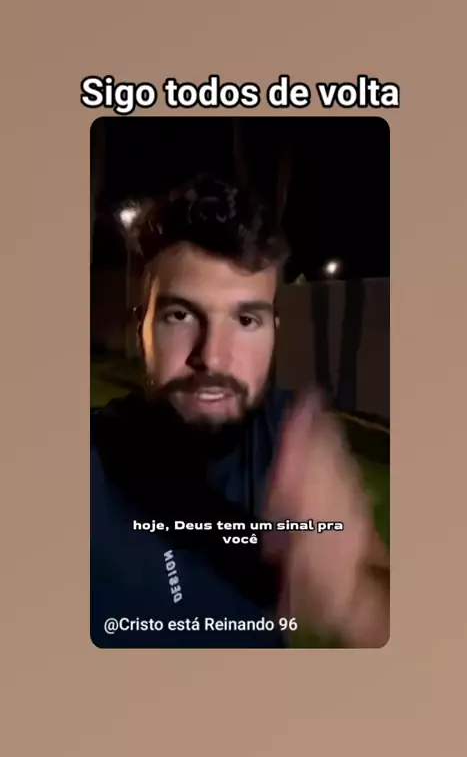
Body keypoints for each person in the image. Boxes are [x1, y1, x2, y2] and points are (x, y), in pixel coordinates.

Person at [91, 174, 389, 648]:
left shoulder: (290, 441)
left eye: (246, 320)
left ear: (274, 331)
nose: (213, 357)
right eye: (180, 316)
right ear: (139, 327)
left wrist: (354, 597)